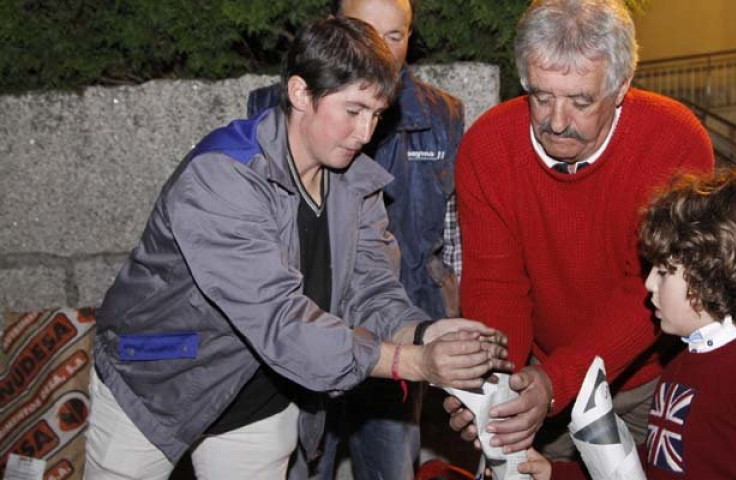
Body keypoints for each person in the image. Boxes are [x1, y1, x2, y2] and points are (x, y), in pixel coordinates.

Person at [85, 17, 509, 480]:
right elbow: (281, 322)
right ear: (301, 93)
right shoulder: (223, 177)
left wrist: (427, 333)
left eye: (377, 114)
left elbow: (369, 293)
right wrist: (414, 362)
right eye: (353, 111)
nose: (366, 133)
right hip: (159, 386)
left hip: (262, 397)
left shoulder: (357, 185)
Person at [443, 0, 714, 477]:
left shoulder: (674, 141)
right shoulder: (489, 146)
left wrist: (556, 381)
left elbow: (648, 290)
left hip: (653, 382)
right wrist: (496, 389)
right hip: (541, 372)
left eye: (581, 101)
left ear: (622, 87)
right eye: (541, 96)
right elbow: (495, 283)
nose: (557, 121)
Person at [248, 1, 465, 478]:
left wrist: (437, 321)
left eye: (396, 35)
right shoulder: (266, 118)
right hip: (306, 332)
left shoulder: (441, 115)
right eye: (366, 31)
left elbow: (447, 227)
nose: (382, 51)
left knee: (392, 468)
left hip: (393, 319)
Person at [516, 167, 736, 478]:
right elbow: (662, 462)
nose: (649, 284)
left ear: (714, 276)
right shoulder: (683, 361)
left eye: (666, 271)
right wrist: (556, 474)